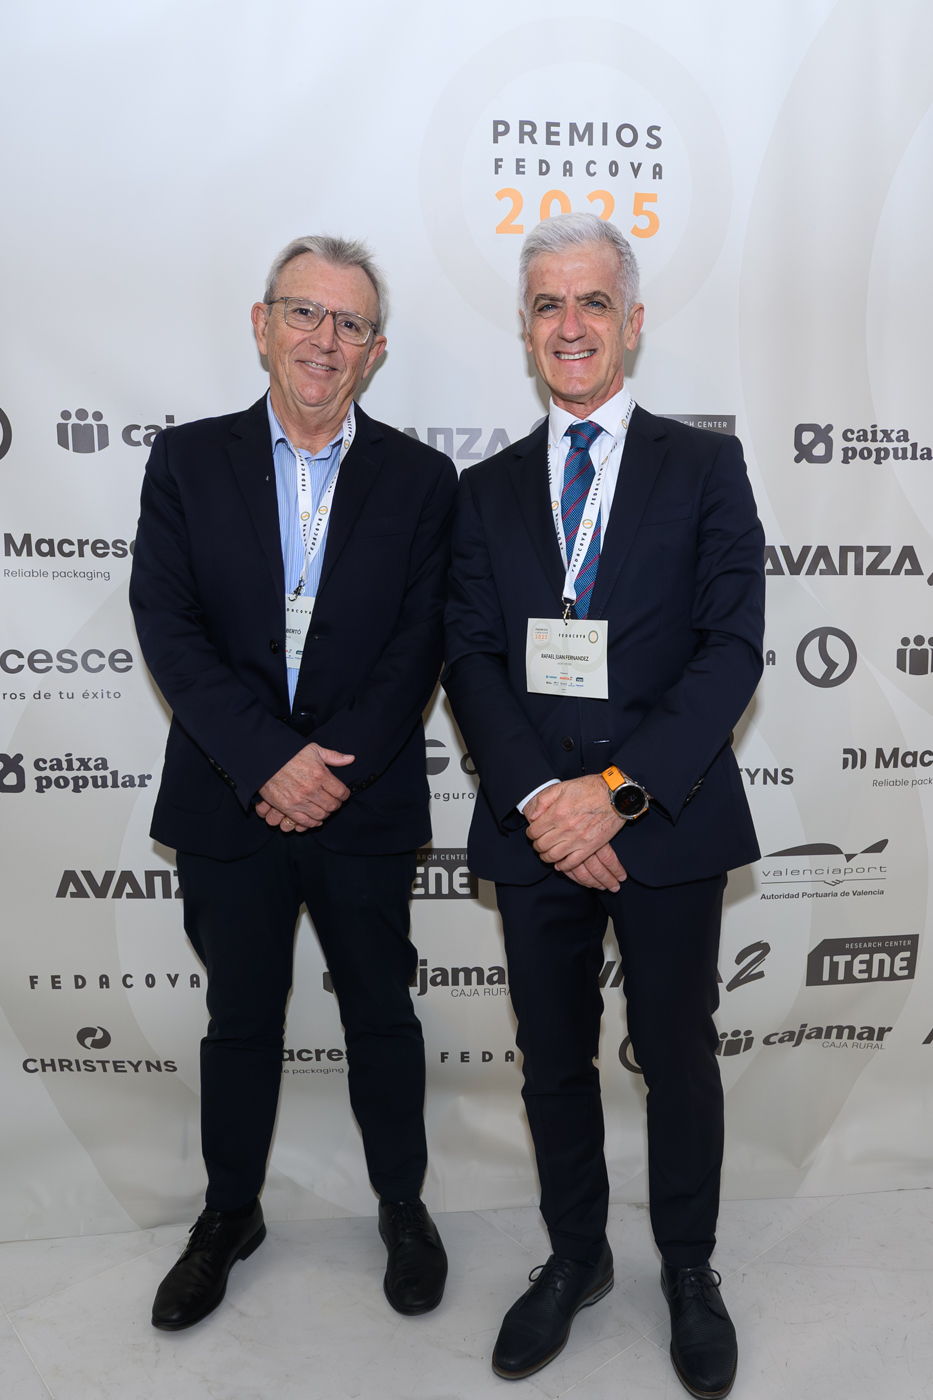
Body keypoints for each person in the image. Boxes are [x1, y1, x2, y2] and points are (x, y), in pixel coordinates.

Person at [443, 212, 764, 1397]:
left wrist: (615, 794)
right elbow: (471, 655)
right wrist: (546, 798)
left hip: (664, 818)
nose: (569, 324)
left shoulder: (705, 467)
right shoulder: (482, 491)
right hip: (536, 827)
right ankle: (576, 1254)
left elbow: (731, 649)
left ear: (631, 322)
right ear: (527, 328)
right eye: (547, 303)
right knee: (551, 1059)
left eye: (590, 302)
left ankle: (688, 1266)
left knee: (678, 1053)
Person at [130, 235, 457, 1331]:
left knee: (381, 1012)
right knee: (238, 1017)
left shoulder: (422, 480)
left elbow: (420, 644)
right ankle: (230, 1213)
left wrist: (327, 769)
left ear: (375, 350)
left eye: (349, 323)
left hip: (363, 798)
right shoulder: (187, 461)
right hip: (230, 795)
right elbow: (168, 624)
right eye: (304, 313)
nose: (324, 339)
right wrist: (267, 758)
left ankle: (403, 1205)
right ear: (261, 324)